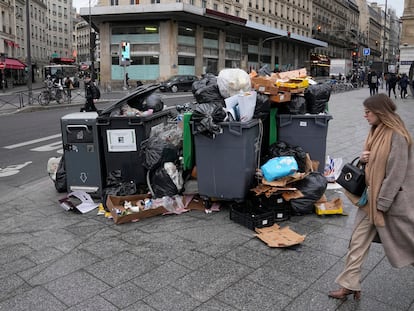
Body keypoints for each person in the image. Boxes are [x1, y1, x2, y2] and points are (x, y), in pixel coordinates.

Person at [329, 94, 414, 301]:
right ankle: (349, 284)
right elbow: (375, 165)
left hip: (390, 204)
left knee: (408, 245)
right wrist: (365, 158)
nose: (364, 115)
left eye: (368, 112)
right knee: (357, 242)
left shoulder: (398, 136)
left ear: (380, 112)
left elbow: (396, 174)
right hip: (370, 201)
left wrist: (382, 204)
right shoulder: (376, 131)